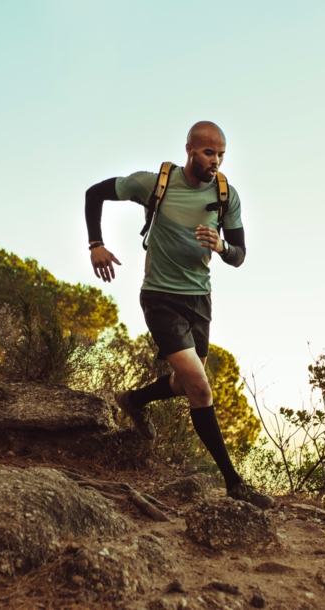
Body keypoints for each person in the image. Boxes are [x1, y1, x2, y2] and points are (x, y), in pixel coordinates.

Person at [84, 121, 273, 510]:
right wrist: (96, 244)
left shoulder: (226, 196)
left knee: (187, 384)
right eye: (208, 153)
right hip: (160, 297)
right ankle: (234, 483)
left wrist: (221, 246)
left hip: (199, 300)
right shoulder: (155, 184)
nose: (215, 161)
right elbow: (94, 193)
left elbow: (239, 255)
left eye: (221, 154)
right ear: (189, 149)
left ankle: (133, 399)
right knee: (201, 389)